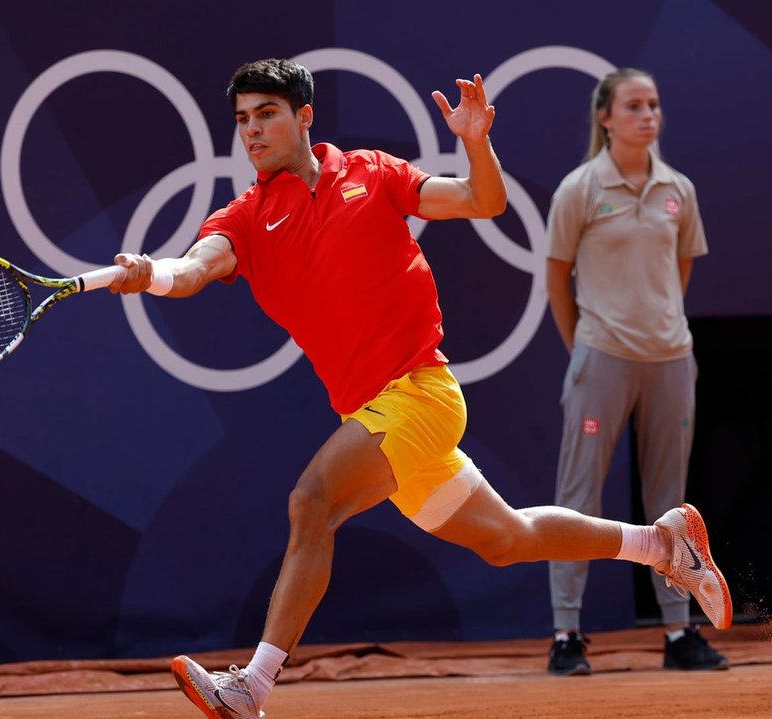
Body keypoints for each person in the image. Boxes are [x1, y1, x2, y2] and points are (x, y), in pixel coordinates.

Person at [110, 58, 731, 719]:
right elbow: (197, 267)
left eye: (267, 114)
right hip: (377, 415)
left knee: (311, 503)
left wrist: (476, 140)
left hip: (420, 392)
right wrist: (152, 272)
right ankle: (660, 543)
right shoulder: (244, 216)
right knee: (507, 539)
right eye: (242, 120)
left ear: (304, 117)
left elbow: (480, 200)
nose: (253, 131)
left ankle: (251, 687)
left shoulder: (372, 173)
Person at [543, 68, 726, 676]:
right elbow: (557, 279)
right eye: (634, 106)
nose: (648, 115)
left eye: (653, 105)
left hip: (671, 360)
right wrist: (588, 349)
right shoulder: (579, 188)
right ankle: (566, 634)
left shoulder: (680, 189)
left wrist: (659, 326)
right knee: (578, 497)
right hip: (602, 358)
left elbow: (680, 274)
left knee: (671, 503)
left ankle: (679, 633)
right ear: (605, 117)